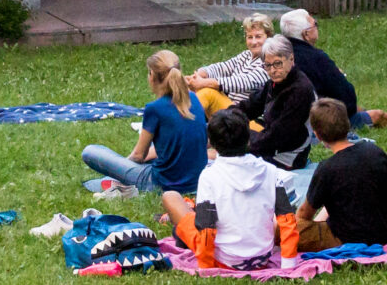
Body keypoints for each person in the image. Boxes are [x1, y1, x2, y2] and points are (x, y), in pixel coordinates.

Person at [161, 107, 285, 269]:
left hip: (224, 259)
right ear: (248, 139)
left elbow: (206, 229)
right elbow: (288, 219)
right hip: (262, 258)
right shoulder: (270, 170)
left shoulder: (210, 176)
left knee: (170, 196)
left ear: (211, 143)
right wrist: (289, 264)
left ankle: (182, 232)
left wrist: (206, 268)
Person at [82, 48, 209, 194]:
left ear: (152, 76)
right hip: (197, 182)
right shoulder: (194, 97)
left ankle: (115, 180)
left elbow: (138, 156)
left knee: (90, 152)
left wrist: (121, 167)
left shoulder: (155, 109)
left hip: (161, 184)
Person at [299, 96, 387, 252]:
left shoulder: (326, 169)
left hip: (344, 238)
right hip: (382, 236)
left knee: (281, 227)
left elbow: (304, 215)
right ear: (348, 125)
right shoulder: (374, 152)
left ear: (317, 135)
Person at [233, 35, 317, 167]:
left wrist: (240, 143)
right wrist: (223, 119)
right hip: (268, 143)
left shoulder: (300, 90)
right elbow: (250, 106)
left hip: (286, 157)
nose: (272, 70)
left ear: (291, 59)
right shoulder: (275, 83)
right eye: (268, 65)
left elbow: (278, 136)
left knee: (222, 154)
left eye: (278, 64)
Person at [275, 10, 362, 125]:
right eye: (315, 25)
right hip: (317, 121)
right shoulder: (317, 59)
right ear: (306, 34)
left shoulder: (277, 55)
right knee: (378, 114)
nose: (317, 28)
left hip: (284, 116)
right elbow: (348, 99)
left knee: (361, 109)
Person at [185, 14, 274, 115]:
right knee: (195, 87)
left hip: (247, 118)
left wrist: (204, 82)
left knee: (209, 93)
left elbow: (241, 82)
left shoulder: (270, 62)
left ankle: (185, 121)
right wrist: (200, 75)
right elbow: (221, 68)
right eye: (250, 37)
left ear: (268, 37)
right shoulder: (246, 55)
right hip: (232, 109)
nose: (253, 42)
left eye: (258, 37)